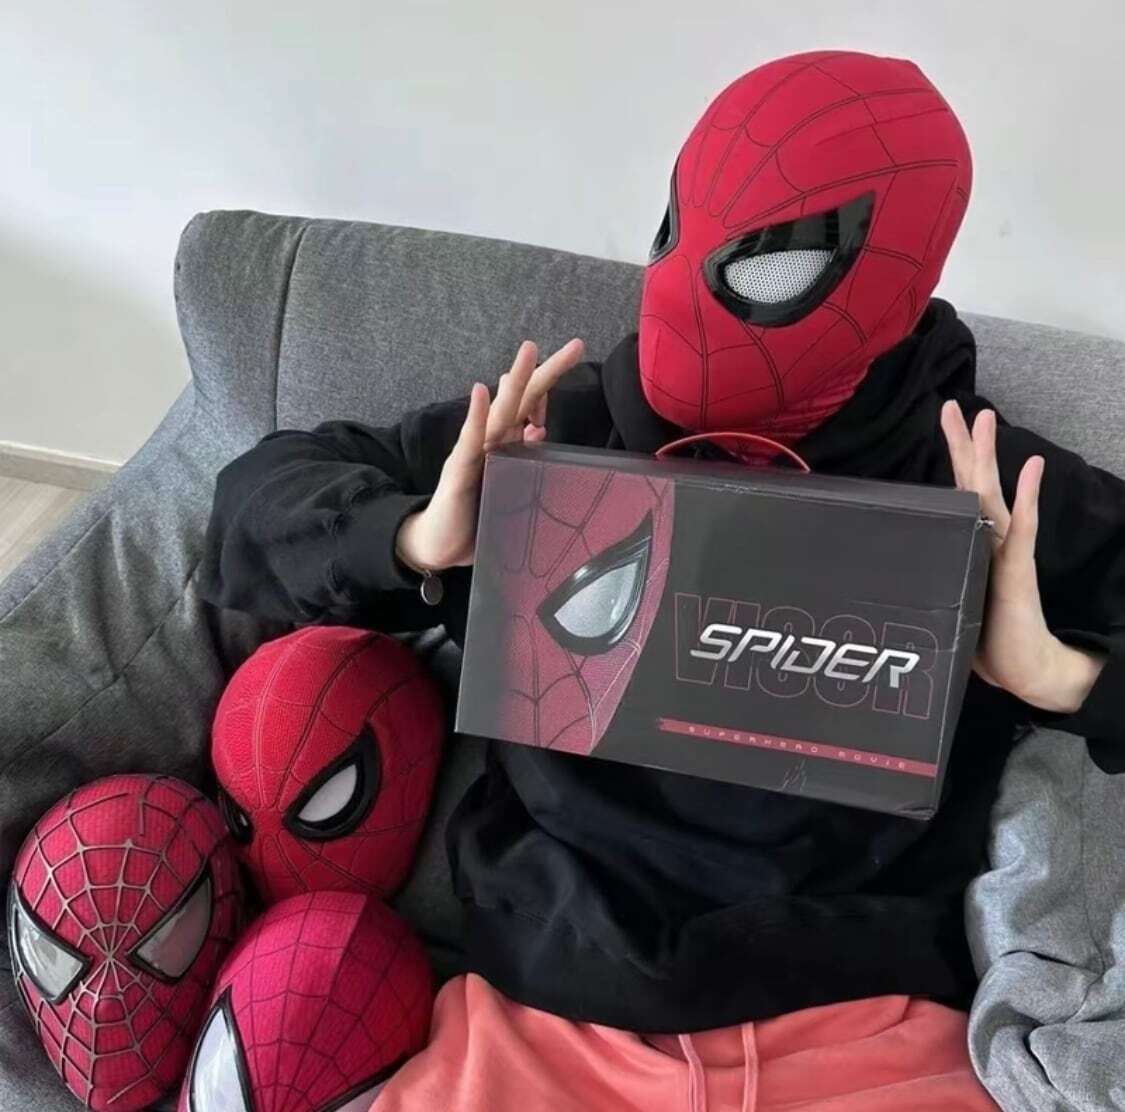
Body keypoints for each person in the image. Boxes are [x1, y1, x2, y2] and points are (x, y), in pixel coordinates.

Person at [200, 49, 1124, 1056]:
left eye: (774, 262)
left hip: (853, 1011)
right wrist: (421, 536)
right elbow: (255, 497)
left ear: (897, 281)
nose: (687, 290)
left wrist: (1057, 675)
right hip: (549, 992)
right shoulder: (557, 433)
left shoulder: (980, 486)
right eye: (679, 230)